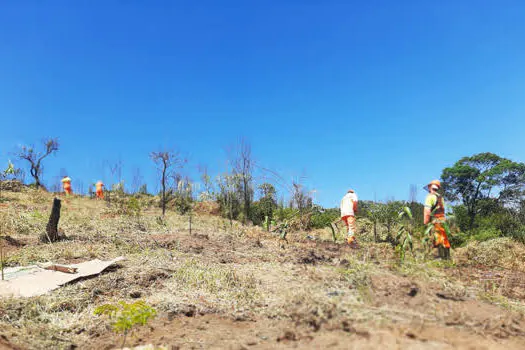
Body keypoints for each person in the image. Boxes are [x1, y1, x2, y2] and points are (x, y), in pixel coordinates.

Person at [424, 180, 451, 259]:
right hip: (443, 220)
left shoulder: (430, 197)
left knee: (437, 238)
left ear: (430, 187)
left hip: (435, 221)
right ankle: (447, 257)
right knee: (444, 237)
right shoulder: (440, 197)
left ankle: (440, 257)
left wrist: (426, 223)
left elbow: (427, 211)